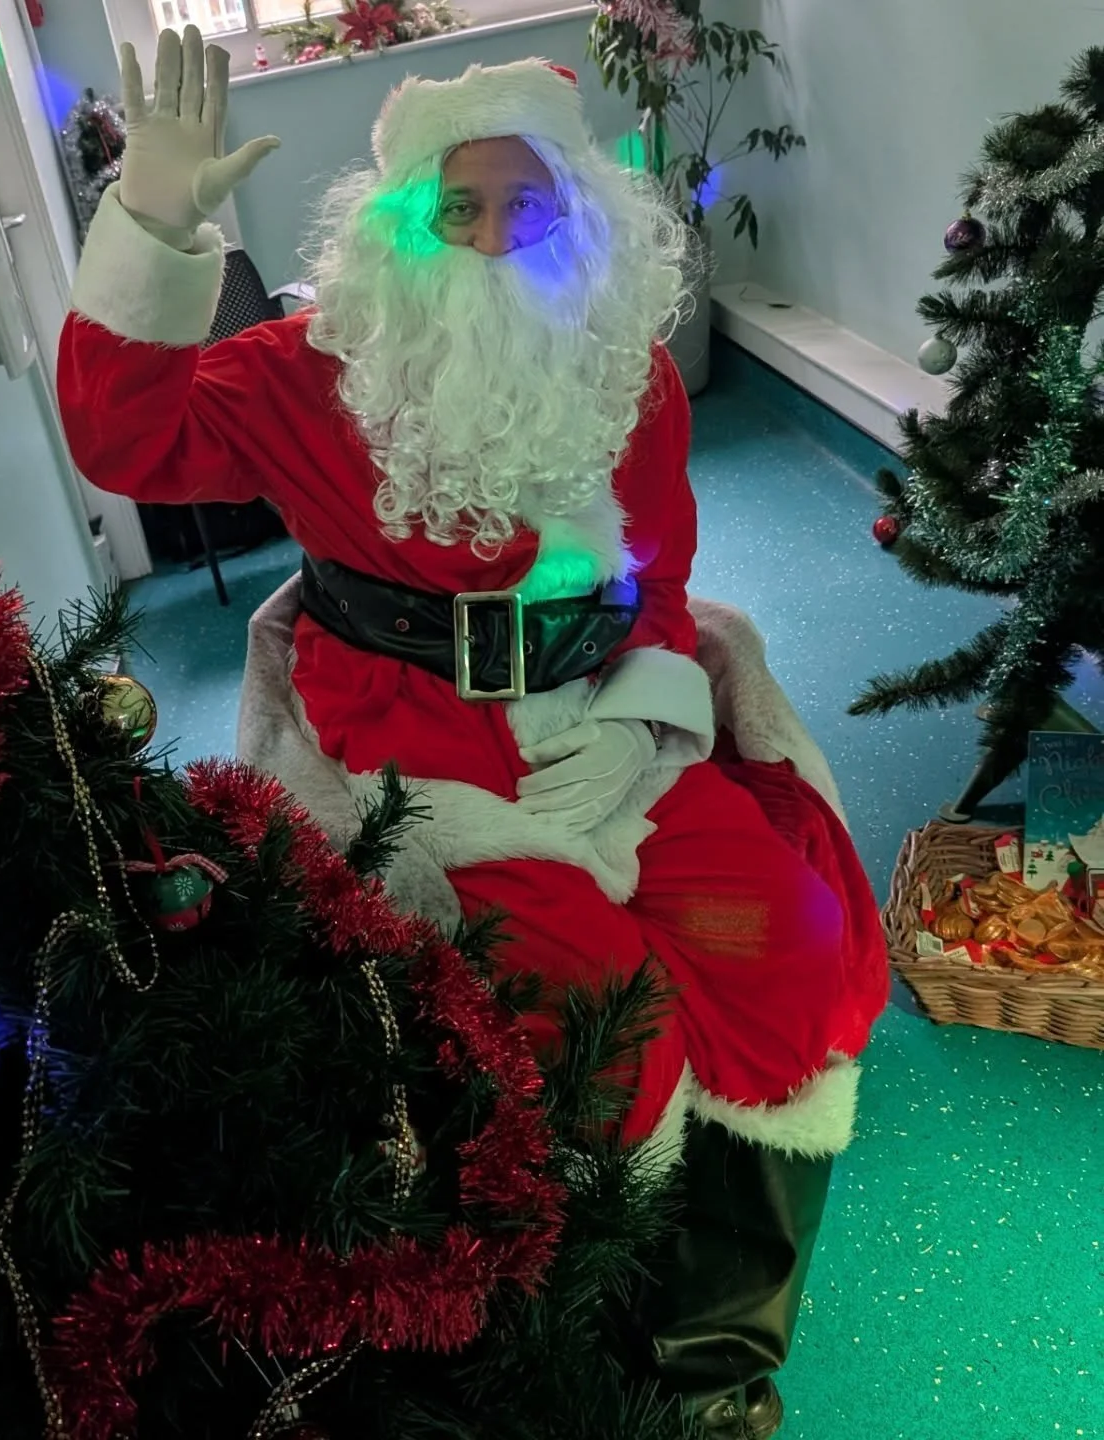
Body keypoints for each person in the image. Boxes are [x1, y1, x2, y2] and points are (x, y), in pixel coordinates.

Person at [57, 29, 889, 1439]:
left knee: (792, 956)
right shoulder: (309, 370)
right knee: (599, 1014)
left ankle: (714, 1361)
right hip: (416, 754)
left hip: (607, 731)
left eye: (535, 207)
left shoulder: (633, 375)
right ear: (404, 229)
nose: (502, 240)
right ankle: (587, 1342)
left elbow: (661, 585)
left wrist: (640, 724)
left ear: (584, 218)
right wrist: (150, 224)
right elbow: (123, 444)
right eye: (463, 209)